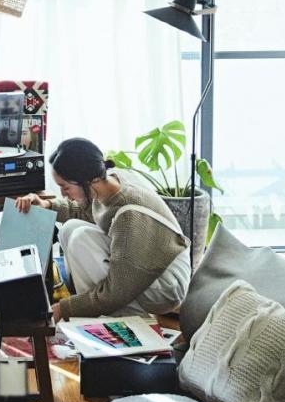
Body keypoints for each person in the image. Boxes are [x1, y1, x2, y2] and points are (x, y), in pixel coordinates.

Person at [15, 137, 190, 322]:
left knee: (81, 239)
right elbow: (85, 210)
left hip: (168, 283)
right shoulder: (108, 182)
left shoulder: (129, 216)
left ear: (87, 181)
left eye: (65, 187)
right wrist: (47, 205)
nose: (62, 194)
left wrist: (65, 308)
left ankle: (131, 323)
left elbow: (116, 292)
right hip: (144, 265)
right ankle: (96, 315)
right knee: (69, 229)